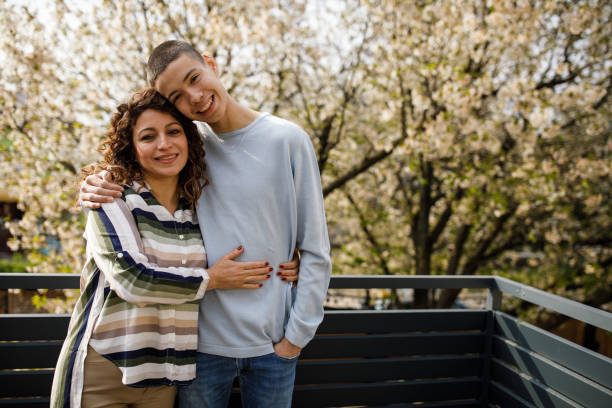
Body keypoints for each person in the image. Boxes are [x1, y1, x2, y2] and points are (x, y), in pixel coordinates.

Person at [80, 40, 332, 407]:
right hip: (197, 349)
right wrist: (90, 184)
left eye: (195, 78)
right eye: (178, 96)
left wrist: (294, 340)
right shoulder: (186, 147)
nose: (195, 97)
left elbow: (315, 249)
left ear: (211, 64)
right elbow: (131, 162)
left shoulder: (287, 140)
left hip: (273, 345)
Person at [52, 89, 299, 408]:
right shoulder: (113, 198)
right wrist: (211, 280)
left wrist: (290, 258)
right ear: (132, 147)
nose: (164, 145)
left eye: (173, 132)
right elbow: (132, 280)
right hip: (104, 371)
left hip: (166, 379)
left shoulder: (199, 208)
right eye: (148, 136)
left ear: (190, 140)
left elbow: (248, 233)